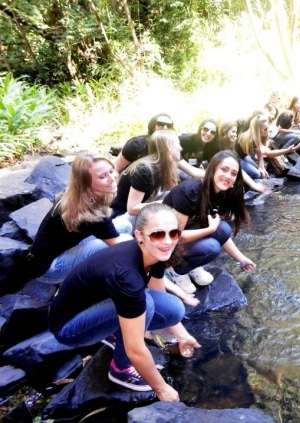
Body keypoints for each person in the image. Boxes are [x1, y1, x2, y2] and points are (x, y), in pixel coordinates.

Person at [48, 203, 201, 398]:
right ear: (139, 236)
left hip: (97, 306)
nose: (167, 241)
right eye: (157, 234)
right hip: (69, 328)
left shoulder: (154, 254)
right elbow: (136, 350)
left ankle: (114, 331)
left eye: (174, 233)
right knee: (145, 303)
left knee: (174, 309)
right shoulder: (126, 276)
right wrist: (162, 388)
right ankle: (120, 369)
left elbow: (157, 290)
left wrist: (182, 335)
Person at [28, 154, 128, 284]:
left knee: (125, 225)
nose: (112, 178)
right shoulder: (92, 212)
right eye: (103, 176)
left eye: (111, 171)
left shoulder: (77, 194)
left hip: (52, 252)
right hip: (50, 269)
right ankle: (77, 281)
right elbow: (121, 248)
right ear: (85, 183)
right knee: (126, 240)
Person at [163, 151, 256, 288]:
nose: (228, 176)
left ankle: (191, 266)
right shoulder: (189, 192)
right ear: (212, 170)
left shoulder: (220, 194)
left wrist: (241, 259)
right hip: (164, 242)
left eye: (233, 173)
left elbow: (220, 233)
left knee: (224, 229)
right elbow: (175, 237)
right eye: (224, 170)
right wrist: (209, 229)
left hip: (184, 236)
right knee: (212, 247)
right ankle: (175, 270)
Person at [111, 129, 180, 225]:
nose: (180, 148)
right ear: (166, 149)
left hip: (143, 212)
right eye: (176, 145)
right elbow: (132, 209)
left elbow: (174, 193)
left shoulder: (168, 166)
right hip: (122, 216)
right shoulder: (144, 170)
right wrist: (166, 202)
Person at [114, 113, 202, 179]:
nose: (165, 127)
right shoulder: (136, 144)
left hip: (153, 185)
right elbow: (116, 169)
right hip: (132, 182)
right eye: (161, 124)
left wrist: (213, 173)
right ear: (152, 126)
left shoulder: (170, 147)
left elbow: (192, 171)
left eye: (169, 126)